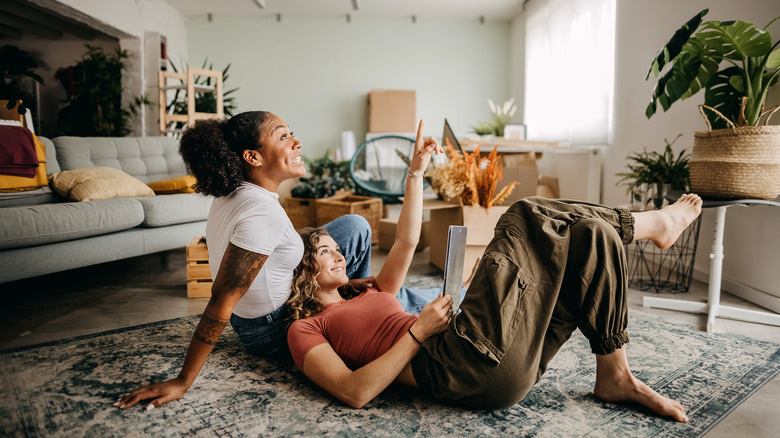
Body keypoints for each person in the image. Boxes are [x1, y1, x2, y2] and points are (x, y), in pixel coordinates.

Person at [286, 121, 702, 422]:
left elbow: (407, 242)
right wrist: (419, 331)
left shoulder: (369, 289)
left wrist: (416, 173)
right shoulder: (305, 329)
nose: (340, 255)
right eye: (325, 251)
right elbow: (354, 392)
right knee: (523, 212)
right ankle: (648, 225)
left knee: (592, 236)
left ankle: (615, 375)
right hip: (457, 365)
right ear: (304, 270)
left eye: (338, 249)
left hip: (496, 357)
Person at [114, 111, 375, 411]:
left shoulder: (237, 189)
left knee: (354, 227)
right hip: (270, 329)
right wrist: (182, 381)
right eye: (284, 136)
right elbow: (221, 301)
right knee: (362, 248)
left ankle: (346, 300)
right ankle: (357, 318)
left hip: (262, 307)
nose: (297, 143)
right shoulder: (262, 214)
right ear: (252, 157)